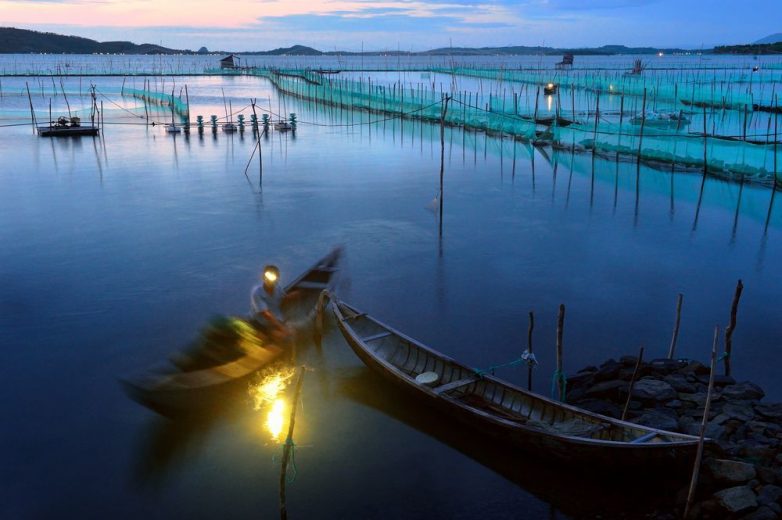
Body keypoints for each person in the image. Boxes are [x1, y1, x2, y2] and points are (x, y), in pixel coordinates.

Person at [250, 265, 291, 343]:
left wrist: (293, 296)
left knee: (292, 331)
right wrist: (282, 328)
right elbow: (266, 314)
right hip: (261, 323)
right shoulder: (257, 292)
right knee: (282, 337)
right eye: (268, 276)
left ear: (277, 278)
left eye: (273, 277)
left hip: (277, 319)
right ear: (263, 277)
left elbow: (283, 298)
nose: (270, 280)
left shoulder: (278, 288)